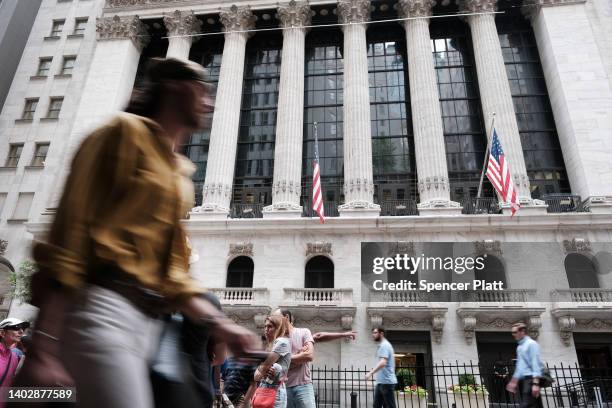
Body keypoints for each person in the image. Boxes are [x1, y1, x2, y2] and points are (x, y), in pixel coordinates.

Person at [16, 58, 258, 408]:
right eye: (202, 91)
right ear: (176, 87)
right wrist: (42, 346)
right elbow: (70, 236)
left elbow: (172, 275)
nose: (209, 102)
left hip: (142, 324)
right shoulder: (120, 132)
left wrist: (222, 327)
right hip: (98, 310)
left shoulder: (178, 171)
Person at [274, 309, 355, 408]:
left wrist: (343, 334)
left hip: (303, 386)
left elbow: (310, 352)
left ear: (286, 317)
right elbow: (276, 363)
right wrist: (299, 355)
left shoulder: (303, 332)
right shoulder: (277, 340)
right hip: (283, 387)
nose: (274, 321)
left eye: (276, 318)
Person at [255, 315, 292, 408]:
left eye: (270, 326)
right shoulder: (269, 345)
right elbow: (256, 376)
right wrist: (262, 369)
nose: (266, 329)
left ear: (278, 327)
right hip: (264, 389)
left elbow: (262, 370)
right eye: (265, 326)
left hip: (275, 391)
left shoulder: (281, 342)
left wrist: (262, 369)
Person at [506, 323, 543, 408]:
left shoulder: (531, 344)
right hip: (524, 380)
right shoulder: (520, 347)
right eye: (512, 333)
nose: (513, 335)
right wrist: (513, 381)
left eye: (515, 332)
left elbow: (535, 364)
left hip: (531, 379)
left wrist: (536, 384)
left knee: (526, 405)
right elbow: (520, 366)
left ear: (522, 331)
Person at [365, 327, 397, 408]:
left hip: (387, 382)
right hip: (381, 382)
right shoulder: (382, 345)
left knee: (390, 406)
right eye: (373, 333)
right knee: (376, 406)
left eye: (375, 333)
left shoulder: (385, 345)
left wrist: (370, 373)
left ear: (381, 333)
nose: (373, 335)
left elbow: (383, 362)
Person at [0, 319, 29, 408]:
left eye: (23, 329)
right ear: (2, 333)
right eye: (16, 328)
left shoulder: (14, 357)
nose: (21, 331)